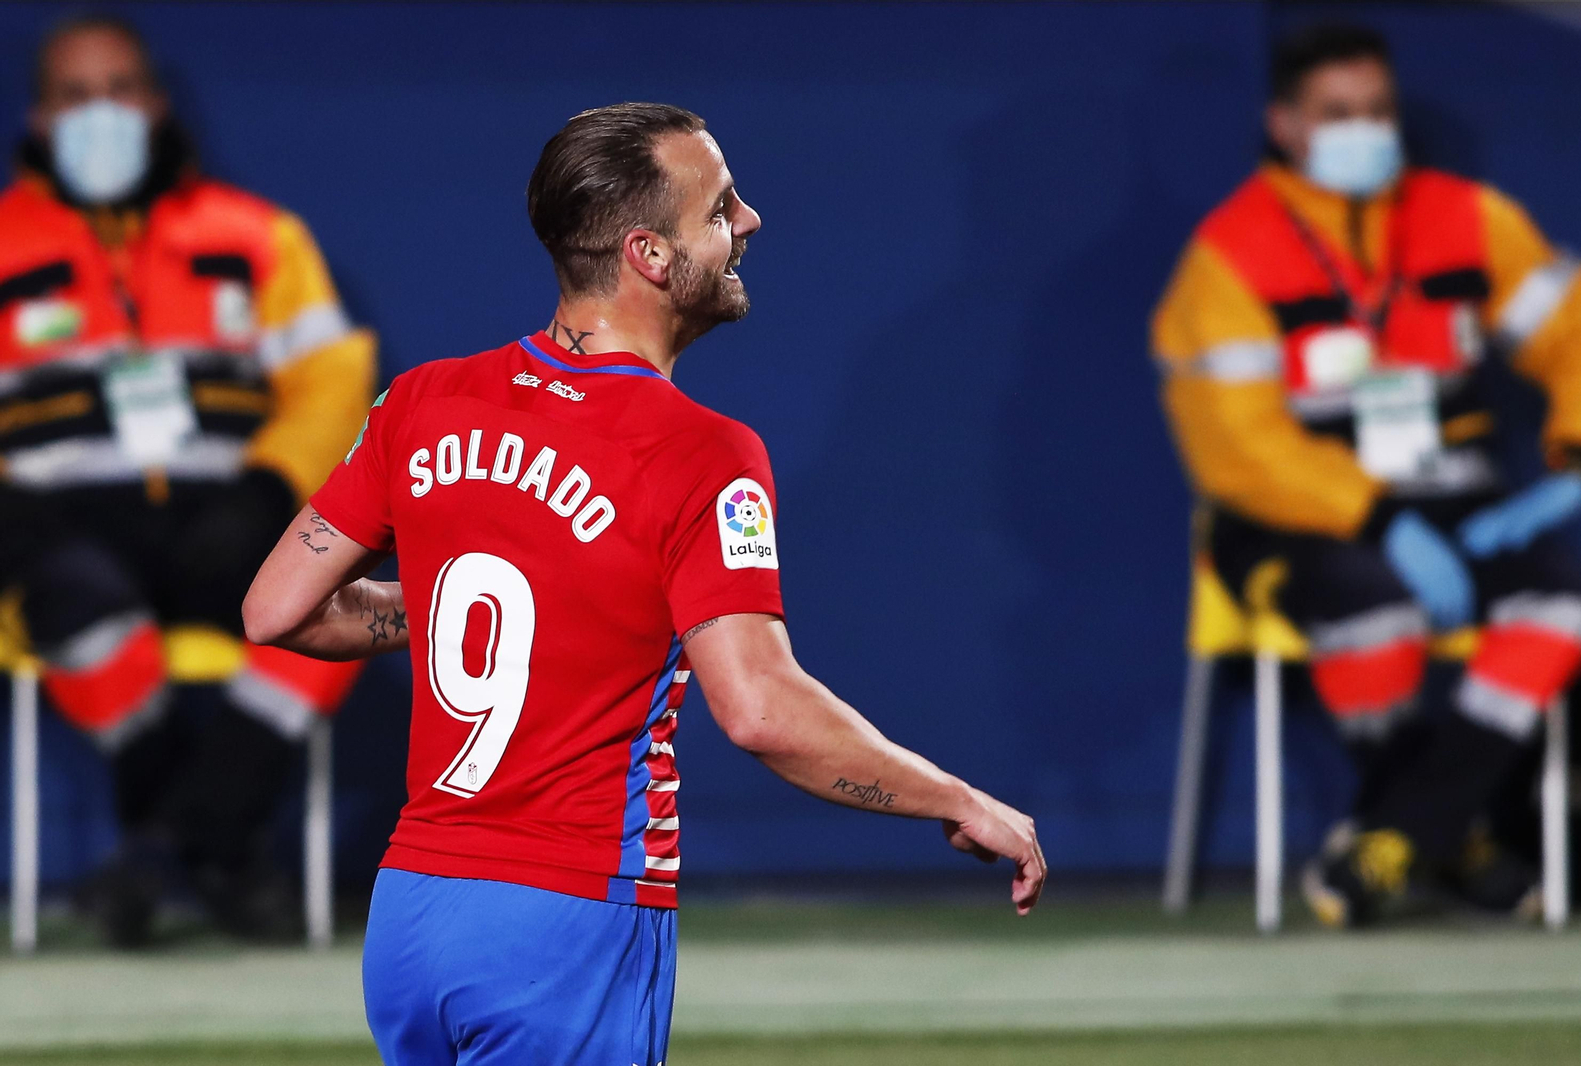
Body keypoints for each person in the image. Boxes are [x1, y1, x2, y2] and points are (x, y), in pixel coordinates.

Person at [244, 102, 1045, 1065]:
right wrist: (955, 799)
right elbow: (758, 710)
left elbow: (277, 609)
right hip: (566, 918)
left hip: (413, 917)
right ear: (650, 256)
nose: (749, 224)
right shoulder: (702, 452)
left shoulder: (424, 400)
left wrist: (486, 609)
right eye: (721, 209)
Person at [1152, 23, 1581, 926]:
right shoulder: (1230, 252)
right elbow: (1237, 444)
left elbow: (1580, 328)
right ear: (1284, 124)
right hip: (1293, 513)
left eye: (1378, 110)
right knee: (1373, 610)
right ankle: (1455, 836)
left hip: (1459, 496)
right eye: (1338, 113)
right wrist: (1376, 516)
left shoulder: (1469, 218)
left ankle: (1400, 838)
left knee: (1562, 606)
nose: (1365, 129)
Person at [0, 15, 374, 943]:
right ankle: (215, 854)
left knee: (330, 598)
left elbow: (331, 375)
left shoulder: (256, 236)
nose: (103, 114)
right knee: (79, 600)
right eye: (76, 96)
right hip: (56, 523)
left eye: (121, 90)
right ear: (40, 116)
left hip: (225, 508)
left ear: (157, 104)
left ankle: (163, 850)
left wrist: (272, 485)